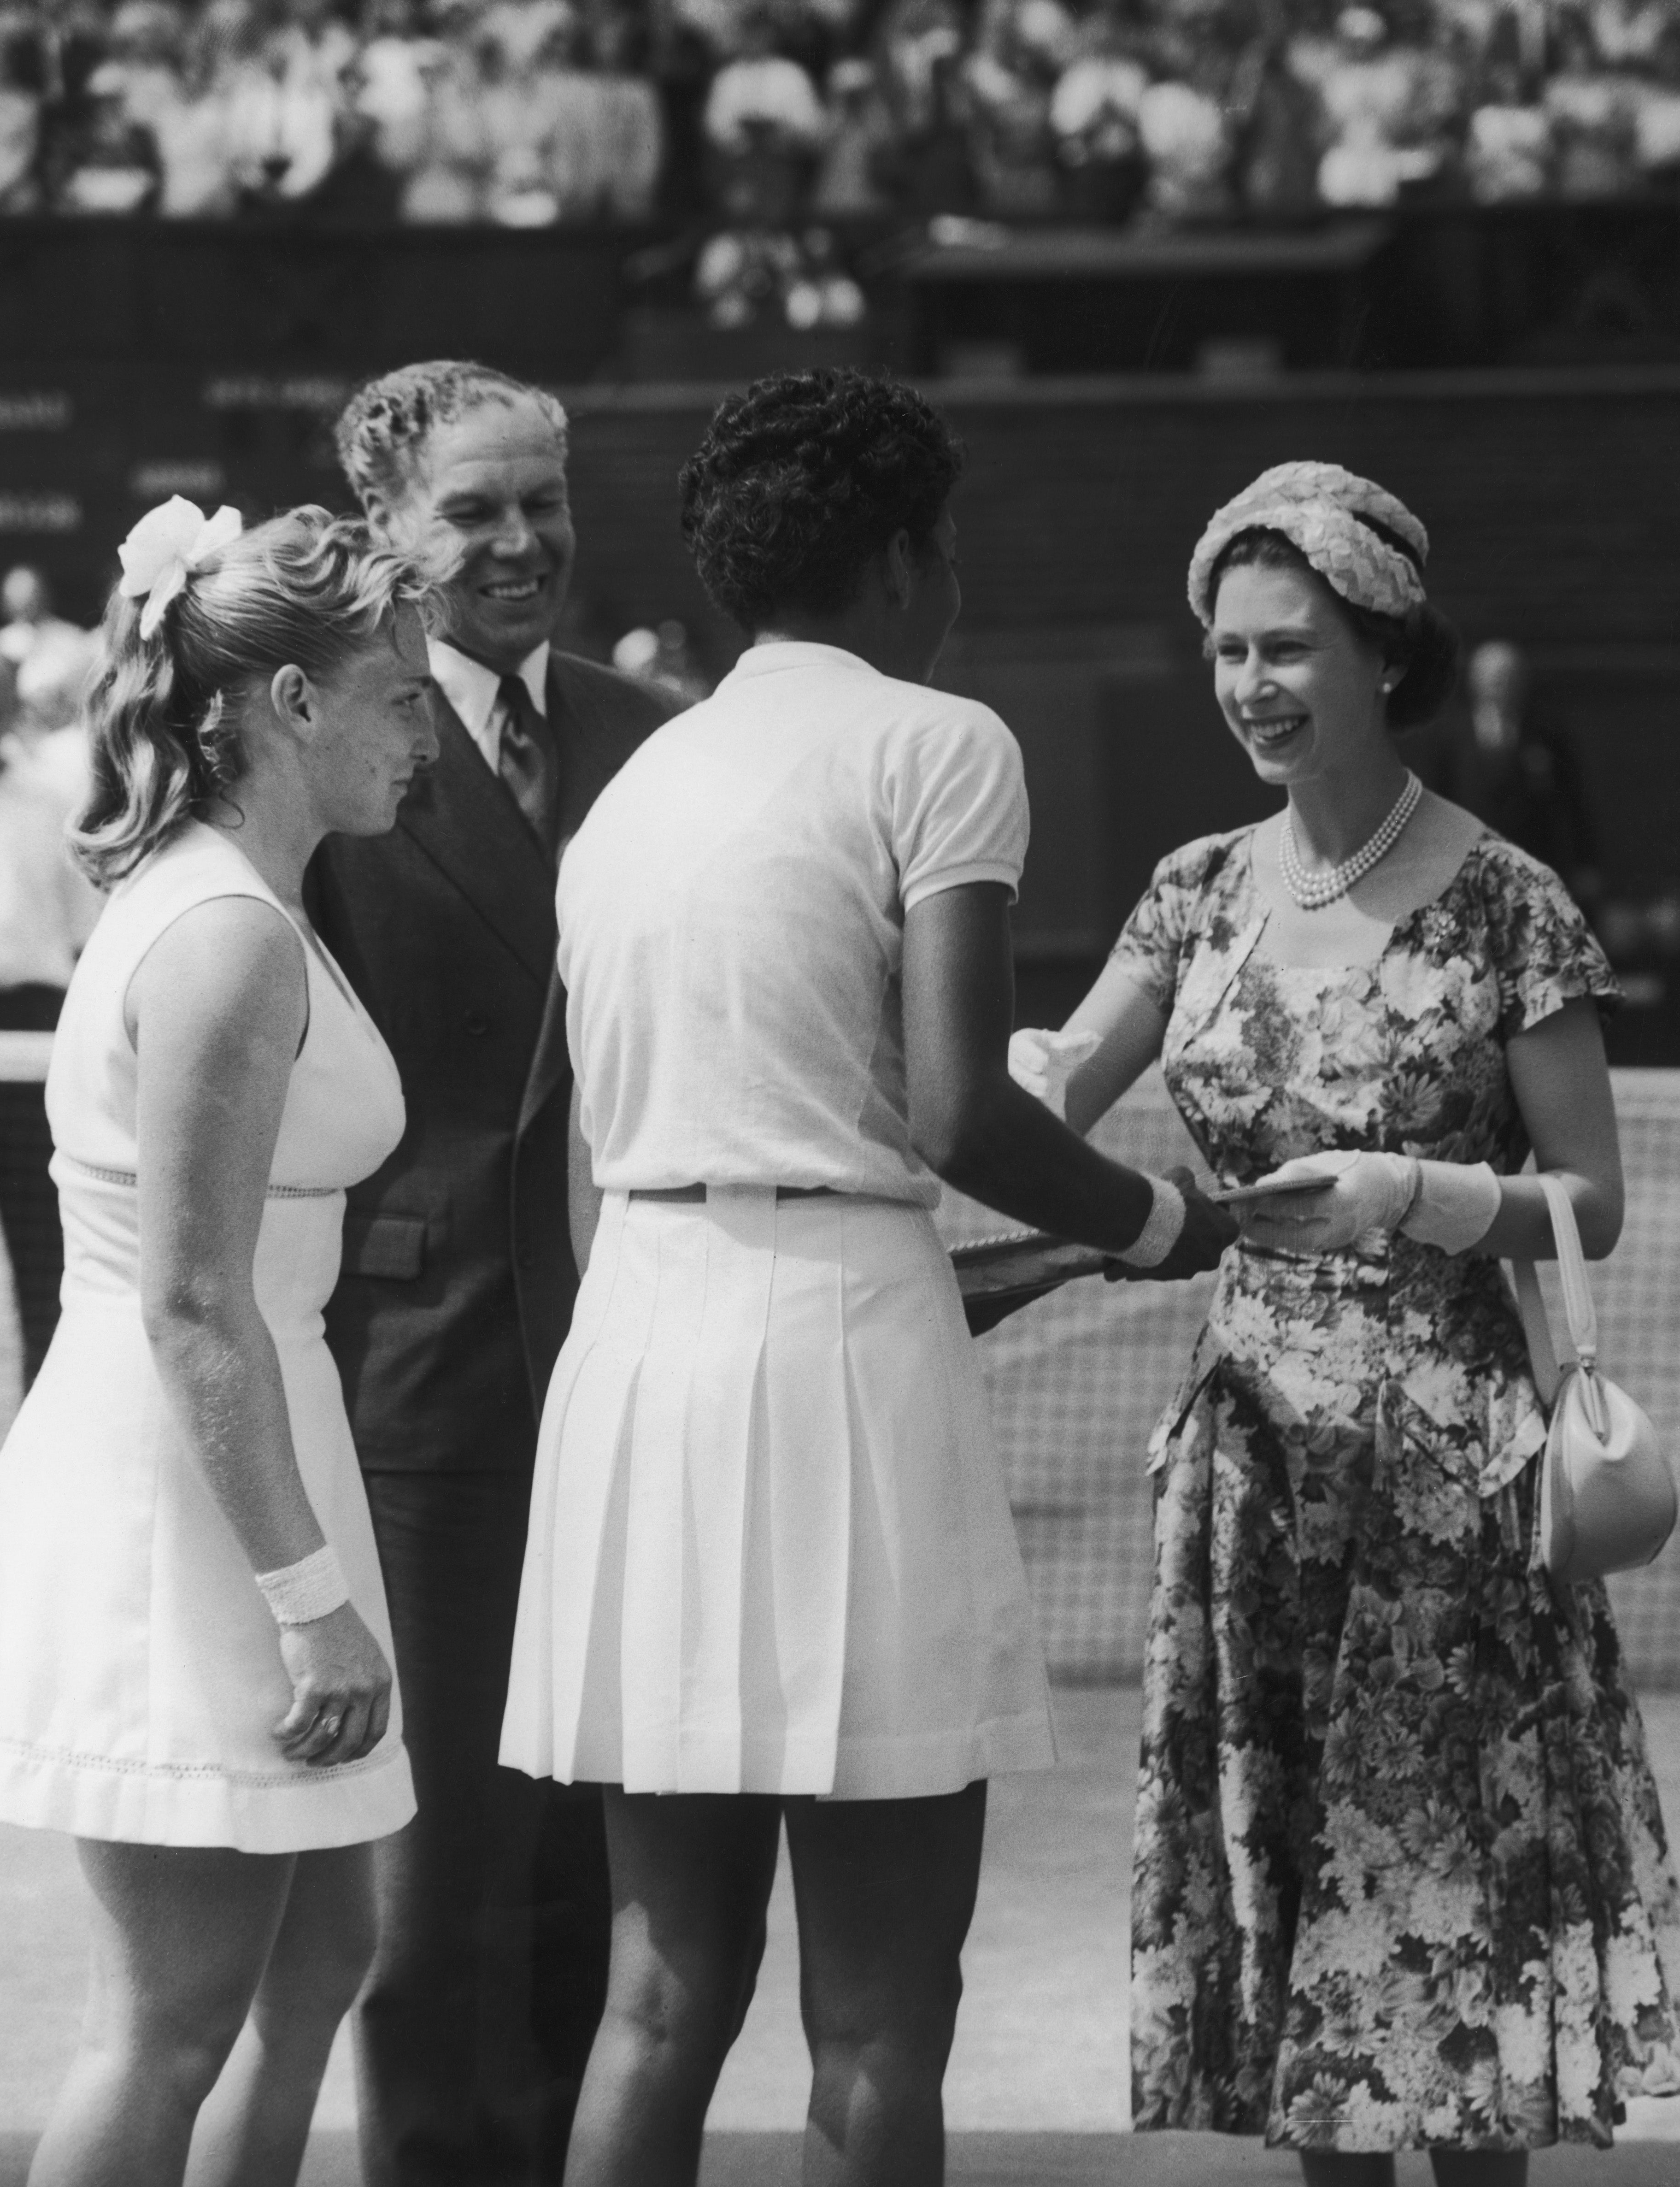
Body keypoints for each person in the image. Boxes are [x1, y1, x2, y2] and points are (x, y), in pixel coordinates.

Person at [497, 367, 1237, 2187]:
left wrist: (997, 1262)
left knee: (656, 1992)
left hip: (638, 1353)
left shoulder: (629, 790)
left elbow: (666, 1165)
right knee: (880, 2010)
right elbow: (955, 1107)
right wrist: (1157, 1224)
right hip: (833, 1364)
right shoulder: (936, 737)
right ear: (907, 558)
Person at [1012, 462, 1680, 2179]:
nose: (1250, 687)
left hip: (1447, 1472)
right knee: (1307, 1912)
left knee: (1442, 1929)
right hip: (1248, 1472)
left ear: (1384, 653)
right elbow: (1041, 1102)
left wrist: (1417, 1192)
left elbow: (1590, 1199)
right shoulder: (1190, 891)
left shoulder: (1503, 897)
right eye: (1227, 651)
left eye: (1288, 648)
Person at [0, 496, 437, 2185]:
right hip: (188, 1499)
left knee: (315, 1962)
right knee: (166, 2025)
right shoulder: (226, 931)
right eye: (398, 693)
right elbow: (189, 1299)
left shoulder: (228, 895)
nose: (423, 729)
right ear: (290, 705)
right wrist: (308, 1602)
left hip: (246, 1450)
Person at [308, 360, 671, 2187]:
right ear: (384, 529)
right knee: (428, 1894)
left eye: (544, 499)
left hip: (640, 1375)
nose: (520, 539)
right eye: (473, 509)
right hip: (417, 1381)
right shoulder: (325, 746)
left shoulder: (653, 734)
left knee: (588, 1877)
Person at [0, 637, 99, 1510]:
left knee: (48, 1273)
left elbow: (84, 941)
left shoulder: (54, 803)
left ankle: (47, 1500)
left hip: (35, 1039)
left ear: (14, 715)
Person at [1432, 638, 1601, 910]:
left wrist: (1585, 863)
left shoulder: (1548, 735)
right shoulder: (1451, 736)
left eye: (1511, 678)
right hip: (1469, 865)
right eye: (1495, 678)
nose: (1503, 686)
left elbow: (1573, 803)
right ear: (1476, 682)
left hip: (1533, 862)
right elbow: (1438, 798)